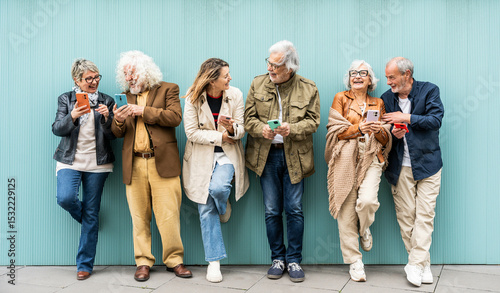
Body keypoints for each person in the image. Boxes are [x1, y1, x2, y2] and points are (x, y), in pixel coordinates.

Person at [111, 50, 192, 281]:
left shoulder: (169, 89)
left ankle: (174, 261)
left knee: (168, 216)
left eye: (132, 73)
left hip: (162, 163)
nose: (128, 78)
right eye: (125, 74)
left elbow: (175, 117)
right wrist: (117, 120)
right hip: (134, 164)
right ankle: (143, 262)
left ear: (145, 71)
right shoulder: (124, 96)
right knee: (139, 217)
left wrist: (143, 111)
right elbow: (117, 133)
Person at [244, 40, 320, 283]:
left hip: (295, 156)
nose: (270, 69)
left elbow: (313, 121)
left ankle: (294, 259)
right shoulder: (257, 83)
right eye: (269, 63)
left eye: (276, 65)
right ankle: (278, 258)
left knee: (295, 209)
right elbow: (248, 118)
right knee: (271, 210)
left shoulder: (308, 87)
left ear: (290, 67)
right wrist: (261, 130)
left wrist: (292, 128)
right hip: (266, 156)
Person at [182, 58, 249, 283]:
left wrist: (233, 128)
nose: (229, 78)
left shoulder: (236, 94)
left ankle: (223, 202)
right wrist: (220, 135)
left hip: (227, 154)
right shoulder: (193, 97)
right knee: (205, 209)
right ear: (212, 79)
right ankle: (214, 262)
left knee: (219, 188)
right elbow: (191, 132)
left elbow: (241, 129)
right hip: (200, 158)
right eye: (225, 75)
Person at [325, 60, 392, 282]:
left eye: (363, 73)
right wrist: (358, 128)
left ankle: (363, 228)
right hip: (345, 156)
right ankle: (355, 262)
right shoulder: (341, 98)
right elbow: (335, 131)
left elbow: (385, 139)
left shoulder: (378, 102)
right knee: (345, 211)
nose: (358, 76)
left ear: (370, 80)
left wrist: (378, 130)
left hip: (371, 155)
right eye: (354, 73)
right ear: (349, 78)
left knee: (367, 202)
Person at [381, 57, 444, 287]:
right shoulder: (386, 99)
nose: (388, 82)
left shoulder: (429, 90)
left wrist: (405, 117)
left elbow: (435, 120)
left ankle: (415, 265)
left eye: (392, 77)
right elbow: (385, 128)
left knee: (425, 216)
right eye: (387, 77)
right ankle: (422, 264)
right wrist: (393, 132)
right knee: (407, 218)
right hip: (400, 167)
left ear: (407, 74)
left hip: (428, 164)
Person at [52, 58, 115, 280]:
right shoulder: (66, 99)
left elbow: (114, 134)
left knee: (92, 210)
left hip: (98, 163)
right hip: (70, 160)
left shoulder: (106, 100)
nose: (94, 82)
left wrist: (108, 119)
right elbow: (57, 129)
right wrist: (73, 116)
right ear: (77, 80)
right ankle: (89, 220)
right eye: (88, 78)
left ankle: (84, 265)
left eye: (96, 77)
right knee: (65, 198)